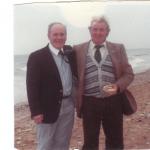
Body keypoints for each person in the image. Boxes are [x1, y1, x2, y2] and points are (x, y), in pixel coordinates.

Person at [73, 16, 134, 150]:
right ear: (90, 30)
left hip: (113, 101)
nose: (98, 32)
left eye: (102, 30)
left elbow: (128, 74)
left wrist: (118, 86)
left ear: (107, 31)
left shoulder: (118, 48)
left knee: (115, 141)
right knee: (90, 142)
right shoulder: (77, 49)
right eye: (95, 29)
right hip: (89, 102)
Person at [26, 22, 76, 150]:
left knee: (63, 143)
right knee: (45, 144)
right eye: (55, 34)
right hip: (46, 108)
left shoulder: (70, 53)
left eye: (62, 34)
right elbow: (32, 86)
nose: (59, 37)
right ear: (48, 35)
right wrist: (36, 111)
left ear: (66, 36)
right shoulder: (37, 57)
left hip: (68, 106)